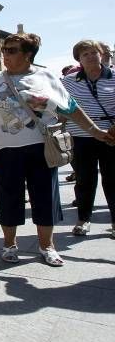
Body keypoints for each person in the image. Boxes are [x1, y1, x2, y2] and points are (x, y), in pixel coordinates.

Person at [0, 32, 114, 266]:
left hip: (41, 147)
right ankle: (9, 245)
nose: (5, 55)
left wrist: (97, 133)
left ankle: (47, 246)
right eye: (4, 50)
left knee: (45, 198)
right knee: (9, 198)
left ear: (28, 54)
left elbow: (71, 109)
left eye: (12, 50)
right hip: (5, 149)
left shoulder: (46, 77)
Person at [61, 40, 115, 238]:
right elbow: (62, 107)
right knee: (84, 180)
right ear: (79, 59)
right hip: (81, 136)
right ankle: (83, 220)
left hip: (110, 136)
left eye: (94, 52)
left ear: (101, 55)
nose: (91, 57)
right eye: (86, 54)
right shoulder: (69, 81)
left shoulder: (113, 77)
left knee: (112, 180)